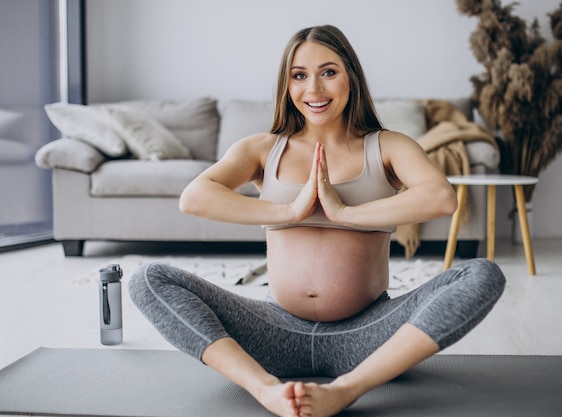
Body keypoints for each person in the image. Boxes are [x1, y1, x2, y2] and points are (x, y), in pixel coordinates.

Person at [129, 25, 506, 417]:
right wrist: (289, 212)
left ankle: (346, 390)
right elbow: (194, 198)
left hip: (367, 334)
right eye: (299, 75)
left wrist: (347, 213)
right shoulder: (262, 148)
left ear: (351, 77)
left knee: (482, 274)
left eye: (329, 72)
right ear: (287, 85)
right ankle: (265, 390)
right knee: (148, 279)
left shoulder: (389, 145)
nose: (315, 89)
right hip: (274, 331)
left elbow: (441, 197)